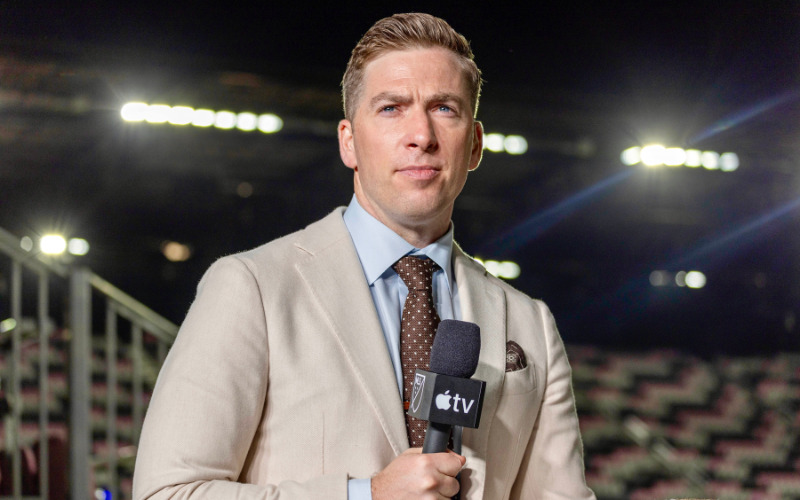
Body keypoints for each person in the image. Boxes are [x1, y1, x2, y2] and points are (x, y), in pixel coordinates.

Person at [132, 12, 595, 500]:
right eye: (392, 108)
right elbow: (166, 493)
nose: (421, 134)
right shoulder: (252, 288)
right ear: (349, 142)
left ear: (475, 144)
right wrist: (363, 494)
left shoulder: (531, 324)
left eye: (444, 108)